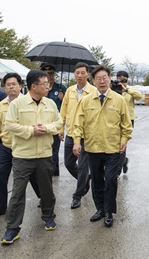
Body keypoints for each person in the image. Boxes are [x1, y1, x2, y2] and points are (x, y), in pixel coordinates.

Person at [1, 69, 62, 245]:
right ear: (33, 86)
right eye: (45, 84)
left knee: (46, 189)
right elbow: (10, 125)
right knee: (18, 192)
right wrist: (30, 131)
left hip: (44, 154)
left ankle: (49, 216)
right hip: (23, 155)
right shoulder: (18, 104)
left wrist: (47, 128)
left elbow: (58, 123)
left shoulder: (50, 104)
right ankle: (12, 228)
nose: (48, 86)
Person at [72, 65, 132, 227]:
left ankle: (109, 212)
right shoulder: (86, 101)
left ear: (110, 80)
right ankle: (100, 209)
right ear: (93, 81)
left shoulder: (119, 100)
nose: (102, 81)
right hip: (93, 148)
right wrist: (77, 142)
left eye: (105, 77)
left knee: (111, 179)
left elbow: (127, 125)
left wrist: (124, 140)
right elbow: (78, 124)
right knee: (97, 181)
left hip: (114, 149)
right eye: (98, 78)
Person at [0, 73, 41, 219]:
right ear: (5, 88)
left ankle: (44, 198)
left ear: (21, 86)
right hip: (6, 147)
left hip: (24, 146)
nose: (11, 87)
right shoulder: (0, 106)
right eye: (8, 85)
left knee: (33, 176)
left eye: (14, 84)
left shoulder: (28, 103)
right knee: (0, 176)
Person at [59, 62, 96, 209]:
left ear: (88, 74)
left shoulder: (93, 91)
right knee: (68, 163)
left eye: (82, 73)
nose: (79, 75)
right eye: (77, 73)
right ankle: (85, 180)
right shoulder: (70, 91)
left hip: (85, 135)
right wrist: (60, 127)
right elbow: (64, 109)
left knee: (82, 166)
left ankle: (78, 195)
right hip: (71, 132)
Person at [115, 70, 142, 175]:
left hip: (128, 120)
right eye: (119, 78)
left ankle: (117, 172)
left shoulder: (131, 90)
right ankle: (123, 161)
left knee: (122, 145)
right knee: (114, 145)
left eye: (124, 79)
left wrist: (126, 89)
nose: (121, 81)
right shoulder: (113, 88)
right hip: (114, 119)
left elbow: (139, 96)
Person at [41, 63, 66, 176]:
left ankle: (51, 171)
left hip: (56, 123)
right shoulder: (40, 89)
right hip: (42, 123)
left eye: (51, 74)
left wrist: (63, 98)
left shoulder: (60, 88)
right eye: (46, 74)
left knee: (54, 149)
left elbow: (67, 106)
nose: (49, 77)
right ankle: (53, 169)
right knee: (45, 148)